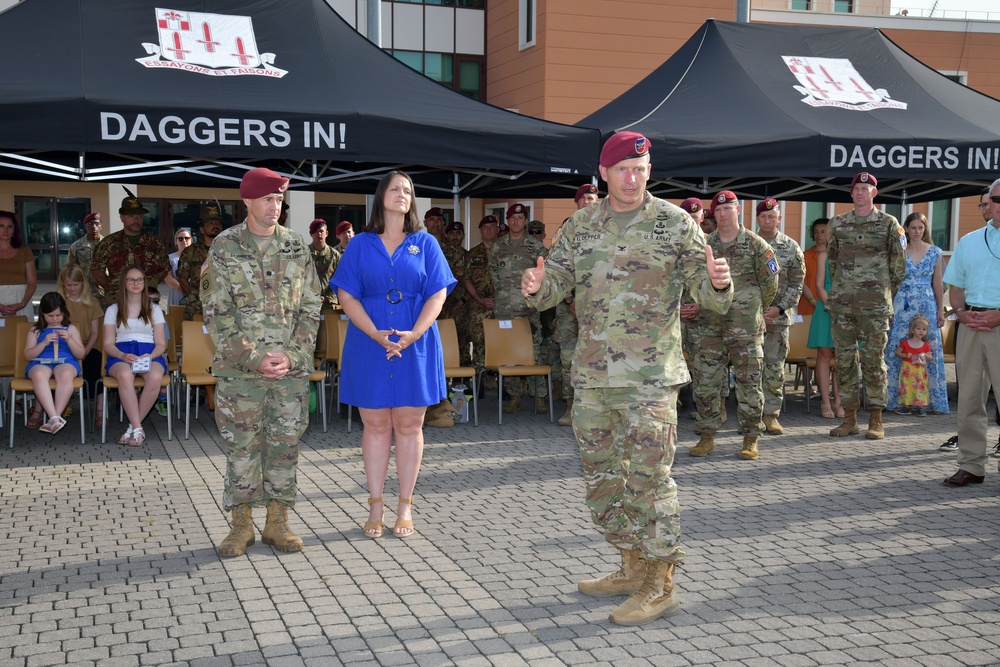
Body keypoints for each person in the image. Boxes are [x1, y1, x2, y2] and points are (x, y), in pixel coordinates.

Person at [521, 132, 733, 626]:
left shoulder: (675, 224)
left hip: (650, 379)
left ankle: (661, 583)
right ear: (605, 173)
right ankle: (632, 564)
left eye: (641, 168)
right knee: (601, 484)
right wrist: (536, 286)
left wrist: (718, 283)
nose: (633, 177)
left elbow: (706, 288)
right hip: (594, 377)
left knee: (648, 483)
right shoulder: (581, 225)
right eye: (623, 169)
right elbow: (554, 283)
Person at [331, 170, 455, 539]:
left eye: (409, 190)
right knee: (376, 425)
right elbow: (346, 295)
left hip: (414, 344)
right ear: (381, 195)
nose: (403, 194)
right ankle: (375, 504)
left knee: (409, 425)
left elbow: (438, 293)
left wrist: (414, 332)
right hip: (369, 343)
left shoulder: (426, 242)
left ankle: (405, 505)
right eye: (396, 188)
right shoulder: (359, 244)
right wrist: (374, 333)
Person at [205, 167, 321, 556]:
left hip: (289, 372)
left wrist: (293, 355)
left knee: (284, 446)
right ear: (248, 202)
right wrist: (254, 358)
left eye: (279, 200)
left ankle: (277, 522)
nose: (276, 207)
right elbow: (217, 313)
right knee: (242, 447)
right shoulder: (224, 247)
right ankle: (241, 525)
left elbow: (311, 306)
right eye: (269, 199)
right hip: (241, 374)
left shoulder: (295, 246)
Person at [688, 191, 778, 461]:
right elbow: (693, 279)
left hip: (745, 326)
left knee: (749, 383)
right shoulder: (704, 245)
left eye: (729, 208)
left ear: (738, 210)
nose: (724, 213)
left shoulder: (756, 244)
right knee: (705, 383)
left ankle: (751, 438)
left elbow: (770, 283)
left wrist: (754, 308)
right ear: (712, 215)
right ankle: (706, 436)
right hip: (709, 325)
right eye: (719, 210)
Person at [826, 172, 906, 440]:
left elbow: (898, 267)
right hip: (843, 306)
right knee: (845, 361)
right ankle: (849, 418)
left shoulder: (889, 224)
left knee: (873, 361)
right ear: (851, 193)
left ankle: (876, 418)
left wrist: (882, 293)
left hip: (874, 307)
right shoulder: (837, 224)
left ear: (875, 192)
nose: (860, 192)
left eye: (865, 188)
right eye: (856, 188)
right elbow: (833, 262)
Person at [941, 177, 1000, 487]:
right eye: (993, 199)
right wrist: (962, 313)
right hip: (971, 326)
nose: (994, 205)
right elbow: (956, 285)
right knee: (969, 400)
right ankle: (972, 465)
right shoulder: (970, 241)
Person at [885, 212, 948, 415]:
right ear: (906, 229)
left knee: (929, 350)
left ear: (925, 229)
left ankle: (930, 401)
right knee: (897, 348)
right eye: (913, 227)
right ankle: (896, 399)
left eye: (921, 228)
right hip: (902, 303)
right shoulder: (898, 251)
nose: (917, 231)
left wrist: (940, 309)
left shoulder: (935, 252)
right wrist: (889, 307)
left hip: (926, 304)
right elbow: (891, 282)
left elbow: (938, 283)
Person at [490, 203, 548, 413]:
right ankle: (515, 396)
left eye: (520, 218)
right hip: (504, 310)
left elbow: (546, 275)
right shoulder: (497, 246)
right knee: (509, 354)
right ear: (507, 221)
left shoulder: (537, 248)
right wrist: (502, 295)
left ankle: (540, 396)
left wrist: (533, 297)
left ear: (525, 221)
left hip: (528, 310)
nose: (516, 221)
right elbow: (493, 271)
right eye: (512, 218)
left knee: (535, 352)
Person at [755, 198, 805, 435]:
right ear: (757, 219)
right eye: (763, 217)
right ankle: (751, 417)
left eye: (771, 216)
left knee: (774, 368)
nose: (767, 220)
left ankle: (771, 415)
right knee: (749, 370)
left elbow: (797, 283)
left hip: (777, 319)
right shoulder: (747, 244)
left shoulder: (791, 246)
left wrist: (779, 308)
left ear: (779, 218)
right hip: (748, 319)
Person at [102, 265, 168, 447]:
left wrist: (151, 355)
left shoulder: (154, 309)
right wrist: (123, 356)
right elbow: (108, 344)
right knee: (124, 375)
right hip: (122, 353)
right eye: (131, 279)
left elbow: (162, 343)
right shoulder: (113, 310)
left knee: (155, 377)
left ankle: (133, 427)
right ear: (124, 282)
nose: (136, 283)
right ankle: (139, 428)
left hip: (149, 352)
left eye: (140, 279)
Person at [90, 189, 170, 309]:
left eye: (139, 216)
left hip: (146, 301)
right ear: (122, 218)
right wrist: (113, 287)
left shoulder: (155, 243)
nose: (136, 220)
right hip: (117, 301)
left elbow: (164, 268)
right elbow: (96, 269)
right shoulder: (108, 242)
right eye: (131, 216)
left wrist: (149, 284)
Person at [23, 292, 85, 434]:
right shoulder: (36, 330)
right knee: (38, 374)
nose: (55, 319)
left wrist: (69, 340)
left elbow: (80, 354)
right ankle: (55, 418)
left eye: (58, 315)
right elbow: (27, 355)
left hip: (65, 361)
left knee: (65, 374)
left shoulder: (71, 329)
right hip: (40, 362)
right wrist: (44, 343)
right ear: (42, 314)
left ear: (64, 312)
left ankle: (54, 417)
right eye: (50, 316)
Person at [56, 265, 104, 426]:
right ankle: (48, 409)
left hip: (86, 346)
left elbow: (95, 333)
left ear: (82, 284)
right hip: (62, 348)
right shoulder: (57, 302)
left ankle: (100, 409)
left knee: (98, 364)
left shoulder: (92, 303)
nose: (72, 288)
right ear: (62, 284)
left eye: (75, 285)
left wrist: (84, 352)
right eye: (68, 285)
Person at [811, 240, 844, 419]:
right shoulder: (824, 255)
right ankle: (825, 401)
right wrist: (832, 307)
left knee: (842, 356)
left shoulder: (853, 255)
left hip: (847, 309)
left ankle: (839, 401)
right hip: (826, 309)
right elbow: (819, 285)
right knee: (824, 354)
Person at [463, 215, 499, 371]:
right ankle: (479, 386)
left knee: (501, 343)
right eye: (485, 227)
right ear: (480, 231)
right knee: (479, 344)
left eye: (492, 226)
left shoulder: (505, 250)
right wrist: (479, 299)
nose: (489, 230)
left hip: (502, 307)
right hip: (479, 307)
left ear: (497, 229)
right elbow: (467, 280)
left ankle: (502, 386)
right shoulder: (472, 254)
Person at [177, 204, 224, 321]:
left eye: (218, 223)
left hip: (223, 308)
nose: (215, 226)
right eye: (210, 223)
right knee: (194, 338)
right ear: (202, 229)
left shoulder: (229, 251)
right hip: (197, 309)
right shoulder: (190, 252)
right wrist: (194, 297)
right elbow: (182, 278)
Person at [0, 210, 37, 317]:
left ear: (14, 230)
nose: (5, 230)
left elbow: (32, 282)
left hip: (20, 299)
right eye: (1, 226)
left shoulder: (24, 250)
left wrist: (22, 303)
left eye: (9, 226)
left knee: (21, 332)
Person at [894, 315, 932, 416]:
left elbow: (930, 357)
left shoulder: (925, 345)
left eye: (924, 329)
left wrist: (923, 355)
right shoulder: (906, 343)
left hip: (919, 370)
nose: (921, 331)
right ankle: (906, 407)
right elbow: (898, 353)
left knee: (920, 388)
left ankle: (921, 407)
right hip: (908, 369)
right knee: (907, 387)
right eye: (918, 329)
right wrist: (906, 355)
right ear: (912, 330)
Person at [67, 212, 105, 303]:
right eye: (90, 224)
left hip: (104, 291)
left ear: (101, 226)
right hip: (84, 291)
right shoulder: (76, 247)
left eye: (97, 224)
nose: (93, 226)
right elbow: (71, 269)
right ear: (85, 226)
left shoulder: (109, 245)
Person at [308, 218, 341, 310]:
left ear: (326, 233)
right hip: (308, 304)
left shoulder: (335, 255)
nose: (319, 234)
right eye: (316, 231)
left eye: (321, 231)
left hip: (329, 305)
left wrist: (327, 297)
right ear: (311, 234)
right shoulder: (304, 254)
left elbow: (339, 279)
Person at [798, 218, 825, 317]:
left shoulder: (836, 256)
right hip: (808, 305)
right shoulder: (805, 256)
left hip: (830, 307)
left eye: (823, 232)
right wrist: (813, 301)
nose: (819, 235)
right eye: (816, 232)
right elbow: (801, 281)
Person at [163, 227, 193, 308]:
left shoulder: (198, 258)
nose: (184, 240)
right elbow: (167, 278)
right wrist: (185, 290)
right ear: (176, 241)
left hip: (195, 297)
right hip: (176, 295)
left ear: (191, 240)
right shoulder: (169, 258)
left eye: (186, 238)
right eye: (180, 239)